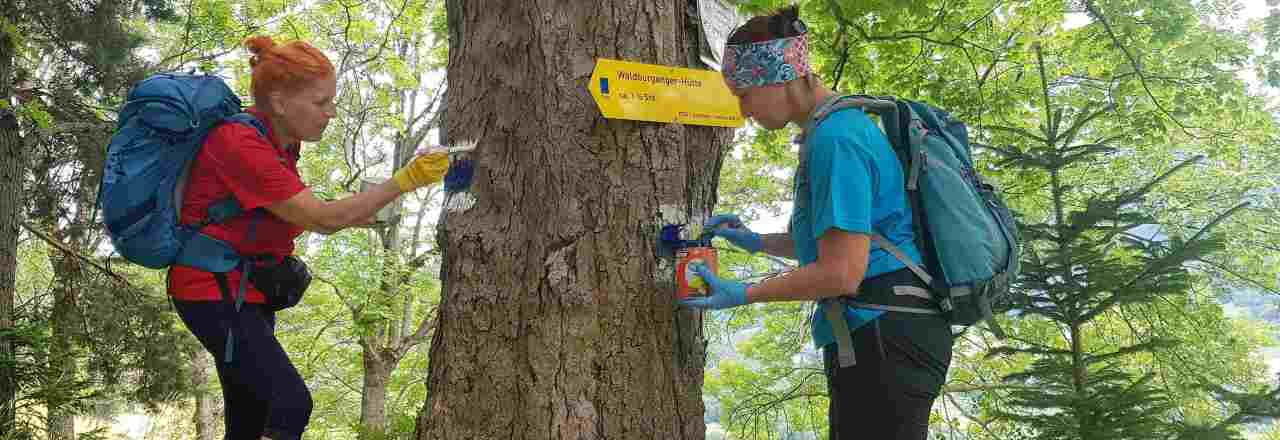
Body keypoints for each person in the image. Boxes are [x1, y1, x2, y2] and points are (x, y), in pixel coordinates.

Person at [679, 7, 954, 439]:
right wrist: (755, 242)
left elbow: (841, 272)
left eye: (744, 93)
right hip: (887, 331)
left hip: (884, 335)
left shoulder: (837, 139)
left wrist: (743, 293)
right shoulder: (839, 128)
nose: (741, 108)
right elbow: (836, 243)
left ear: (781, 78)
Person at [168, 36, 450, 440]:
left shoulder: (280, 142)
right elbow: (320, 218)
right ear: (280, 101)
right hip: (211, 289)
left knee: (251, 413)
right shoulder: (241, 142)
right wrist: (404, 181)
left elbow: (290, 214)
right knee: (288, 404)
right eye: (322, 103)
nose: (331, 113)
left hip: (243, 289)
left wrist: (361, 210)